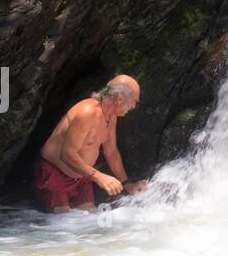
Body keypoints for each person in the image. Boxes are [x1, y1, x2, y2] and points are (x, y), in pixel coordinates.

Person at [34, 75, 148, 213]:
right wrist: (99, 177)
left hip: (83, 176)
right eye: (134, 101)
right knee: (62, 223)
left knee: (89, 223)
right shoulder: (87, 112)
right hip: (55, 173)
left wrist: (126, 184)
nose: (134, 106)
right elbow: (67, 154)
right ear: (119, 99)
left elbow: (111, 151)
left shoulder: (111, 115)